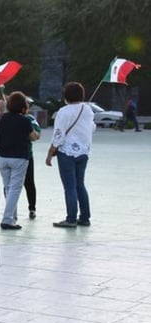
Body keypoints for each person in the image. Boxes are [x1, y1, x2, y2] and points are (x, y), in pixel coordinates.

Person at [46, 81, 95, 228]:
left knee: (70, 187)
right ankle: (85, 217)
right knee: (80, 184)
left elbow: (59, 134)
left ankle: (71, 218)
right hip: (84, 152)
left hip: (67, 153)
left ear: (66, 96)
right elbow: (92, 128)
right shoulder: (88, 110)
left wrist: (50, 153)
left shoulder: (63, 112)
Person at [0, 92, 39, 230]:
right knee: (15, 188)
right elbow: (33, 137)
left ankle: (12, 217)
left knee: (8, 187)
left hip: (2, 157)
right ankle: (7, 219)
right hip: (19, 157)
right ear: (23, 106)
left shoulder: (1, 118)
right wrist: (35, 134)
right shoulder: (25, 120)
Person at [23, 100, 42, 219]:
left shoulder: (29, 119)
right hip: (24, 155)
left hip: (22, 155)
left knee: (28, 182)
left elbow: (37, 135)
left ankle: (32, 207)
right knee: (26, 183)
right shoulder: (6, 118)